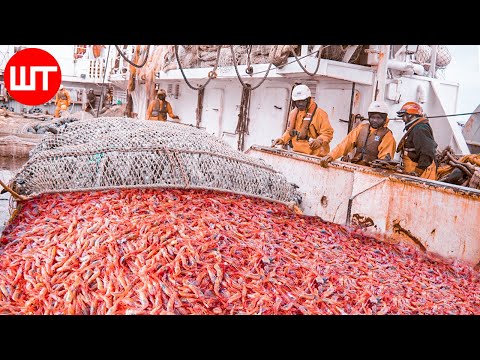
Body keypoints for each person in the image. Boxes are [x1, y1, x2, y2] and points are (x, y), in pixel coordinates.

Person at [319, 100, 396, 168]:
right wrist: (331, 156)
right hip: (356, 166)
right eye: (372, 117)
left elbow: (384, 161)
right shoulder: (361, 128)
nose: (375, 120)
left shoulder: (387, 136)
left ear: (384, 119)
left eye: (378, 118)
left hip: (372, 172)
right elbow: (345, 144)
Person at [272, 84, 334, 157]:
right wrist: (282, 140)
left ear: (308, 99)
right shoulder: (293, 114)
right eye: (298, 101)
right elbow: (290, 131)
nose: (300, 104)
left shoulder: (320, 114)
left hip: (316, 156)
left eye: (303, 101)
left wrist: (320, 140)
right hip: (297, 154)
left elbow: (328, 133)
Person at [395, 101, 438, 179]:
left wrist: (417, 172)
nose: (402, 119)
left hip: (423, 174)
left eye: (404, 116)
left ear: (411, 115)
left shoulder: (420, 129)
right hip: (412, 171)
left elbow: (428, 151)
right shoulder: (415, 128)